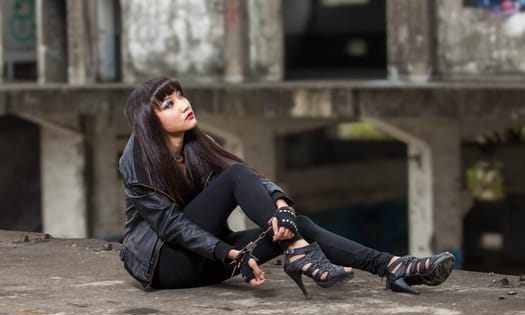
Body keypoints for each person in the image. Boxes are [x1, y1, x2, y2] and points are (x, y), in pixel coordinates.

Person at [118, 77, 455, 298]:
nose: (183, 104)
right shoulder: (136, 160)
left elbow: (253, 178)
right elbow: (171, 227)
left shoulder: (195, 143)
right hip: (165, 265)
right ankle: (300, 252)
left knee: (300, 225)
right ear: (151, 122)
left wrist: (280, 205)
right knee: (235, 176)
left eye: (180, 95)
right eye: (168, 104)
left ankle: (392, 266)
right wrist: (230, 253)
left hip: (208, 257)